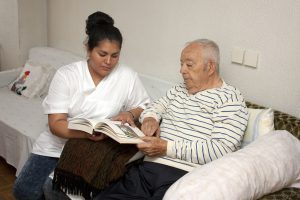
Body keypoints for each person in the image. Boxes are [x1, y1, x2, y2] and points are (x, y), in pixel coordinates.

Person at [13, 11, 150, 200]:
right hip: (56, 145)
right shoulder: (67, 75)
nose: (109, 62)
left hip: (93, 149)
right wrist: (85, 133)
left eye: (115, 55)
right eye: (102, 54)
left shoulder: (127, 76)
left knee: (52, 190)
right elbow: (56, 124)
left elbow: (142, 105)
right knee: (24, 191)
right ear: (88, 49)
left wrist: (130, 113)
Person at [93, 39, 249, 199]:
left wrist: (166, 148)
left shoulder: (230, 99)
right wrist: (150, 119)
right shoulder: (179, 90)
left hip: (187, 179)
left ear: (210, 67)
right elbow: (155, 107)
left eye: (189, 65)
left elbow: (220, 149)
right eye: (181, 64)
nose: (182, 70)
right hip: (147, 170)